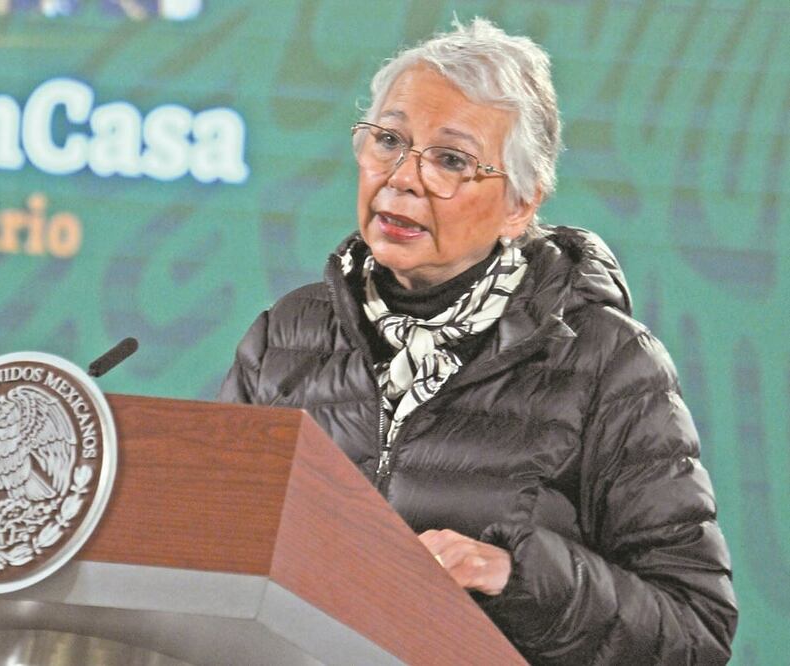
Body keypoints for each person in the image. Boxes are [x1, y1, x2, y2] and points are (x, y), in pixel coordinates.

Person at [219, 18, 736, 665]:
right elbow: (210, 552)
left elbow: (694, 633)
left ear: (519, 203)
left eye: (450, 160)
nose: (402, 178)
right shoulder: (284, 339)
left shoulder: (607, 363)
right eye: (387, 141)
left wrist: (517, 577)